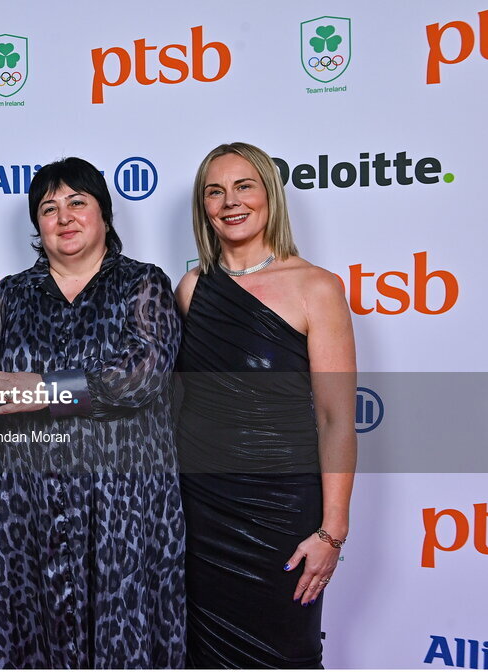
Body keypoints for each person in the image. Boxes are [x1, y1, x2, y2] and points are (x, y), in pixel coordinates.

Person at [0, 157, 186, 668]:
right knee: (30, 635)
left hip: (125, 507)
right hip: (29, 509)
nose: (64, 217)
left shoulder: (143, 283)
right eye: (49, 208)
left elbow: (142, 376)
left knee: (123, 632)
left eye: (77, 203)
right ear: (37, 224)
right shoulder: (9, 296)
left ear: (104, 215)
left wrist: (43, 389)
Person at [175, 141, 357, 668]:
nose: (231, 202)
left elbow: (336, 419)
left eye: (244, 186)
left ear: (270, 196)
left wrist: (333, 530)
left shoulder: (316, 288)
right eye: (215, 191)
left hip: (282, 512)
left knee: (286, 651)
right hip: (201, 509)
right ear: (203, 207)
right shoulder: (191, 289)